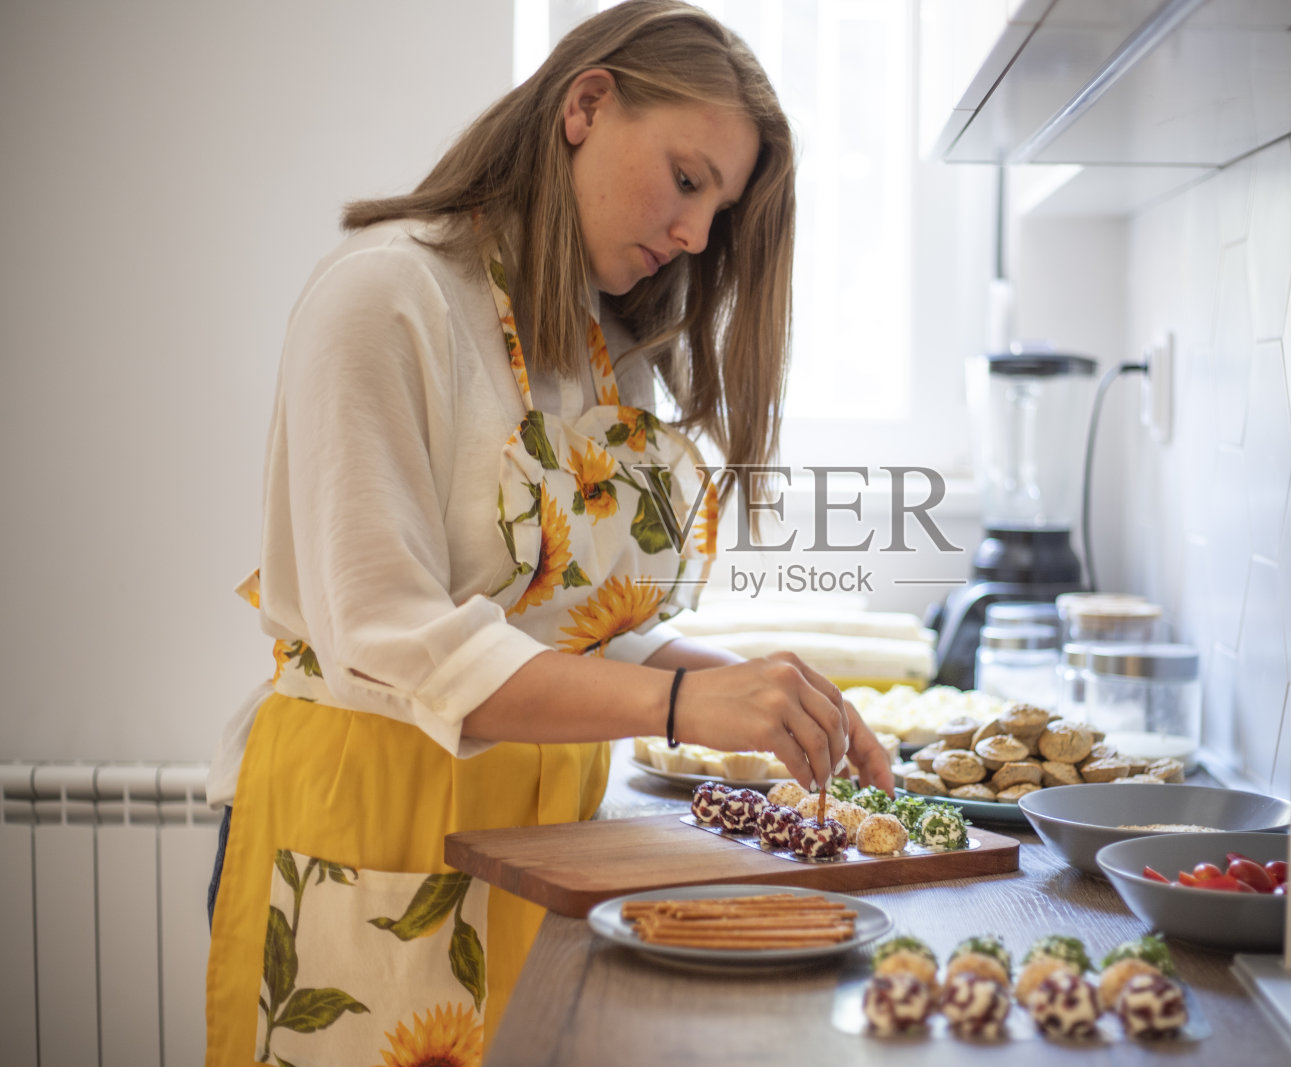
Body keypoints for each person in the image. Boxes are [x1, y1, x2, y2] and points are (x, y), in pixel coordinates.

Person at [203, 3, 894, 1062]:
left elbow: (570, 625)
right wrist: (682, 703)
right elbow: (394, 638)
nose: (695, 236)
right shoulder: (385, 297)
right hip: (370, 815)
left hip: (551, 832)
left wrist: (755, 689)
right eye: (687, 179)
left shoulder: (597, 340)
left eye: (717, 210)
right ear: (586, 105)